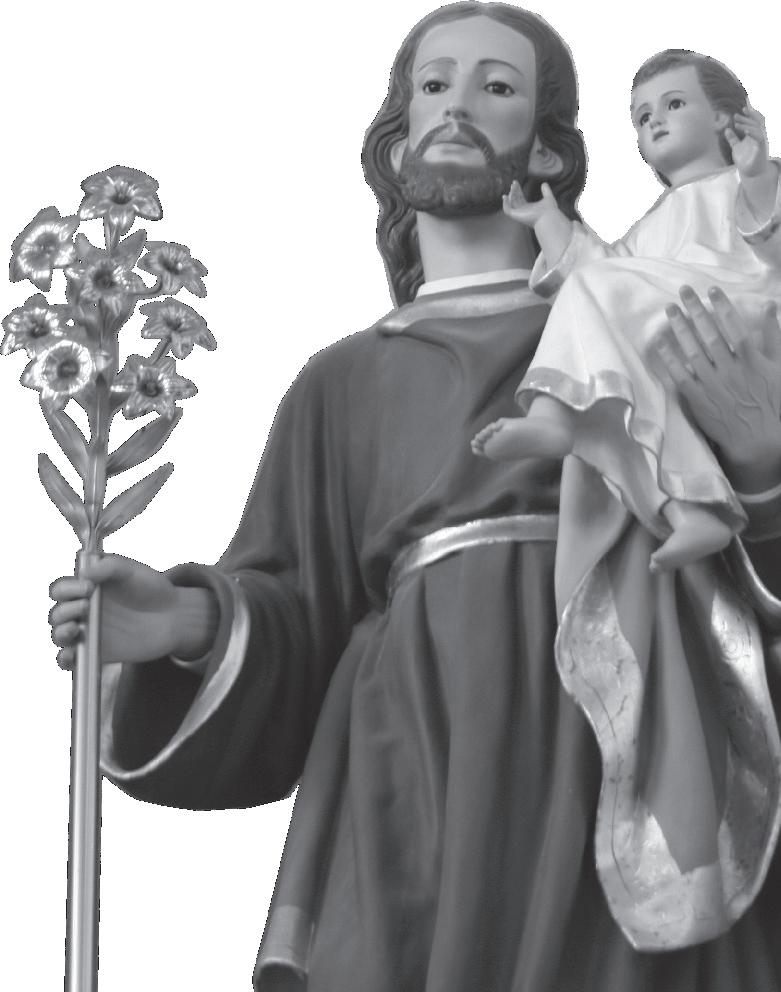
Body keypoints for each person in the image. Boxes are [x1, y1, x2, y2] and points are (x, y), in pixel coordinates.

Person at [47, 4, 781, 990]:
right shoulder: (341, 383)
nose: (457, 105)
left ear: (547, 152)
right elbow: (299, 609)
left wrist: (764, 464)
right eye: (434, 85)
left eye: (497, 86)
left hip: (633, 752)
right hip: (418, 776)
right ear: (396, 146)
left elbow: (745, 589)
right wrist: (188, 623)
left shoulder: (651, 322)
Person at [472, 49, 781, 573]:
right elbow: (597, 277)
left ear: (723, 117)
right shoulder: (651, 225)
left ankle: (553, 418)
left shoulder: (748, 182)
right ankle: (691, 508)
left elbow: (771, 244)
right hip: (678, 331)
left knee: (604, 296)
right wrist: (547, 221)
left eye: (674, 103)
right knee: (631, 389)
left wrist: (757, 174)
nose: (654, 120)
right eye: (641, 117)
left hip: (738, 318)